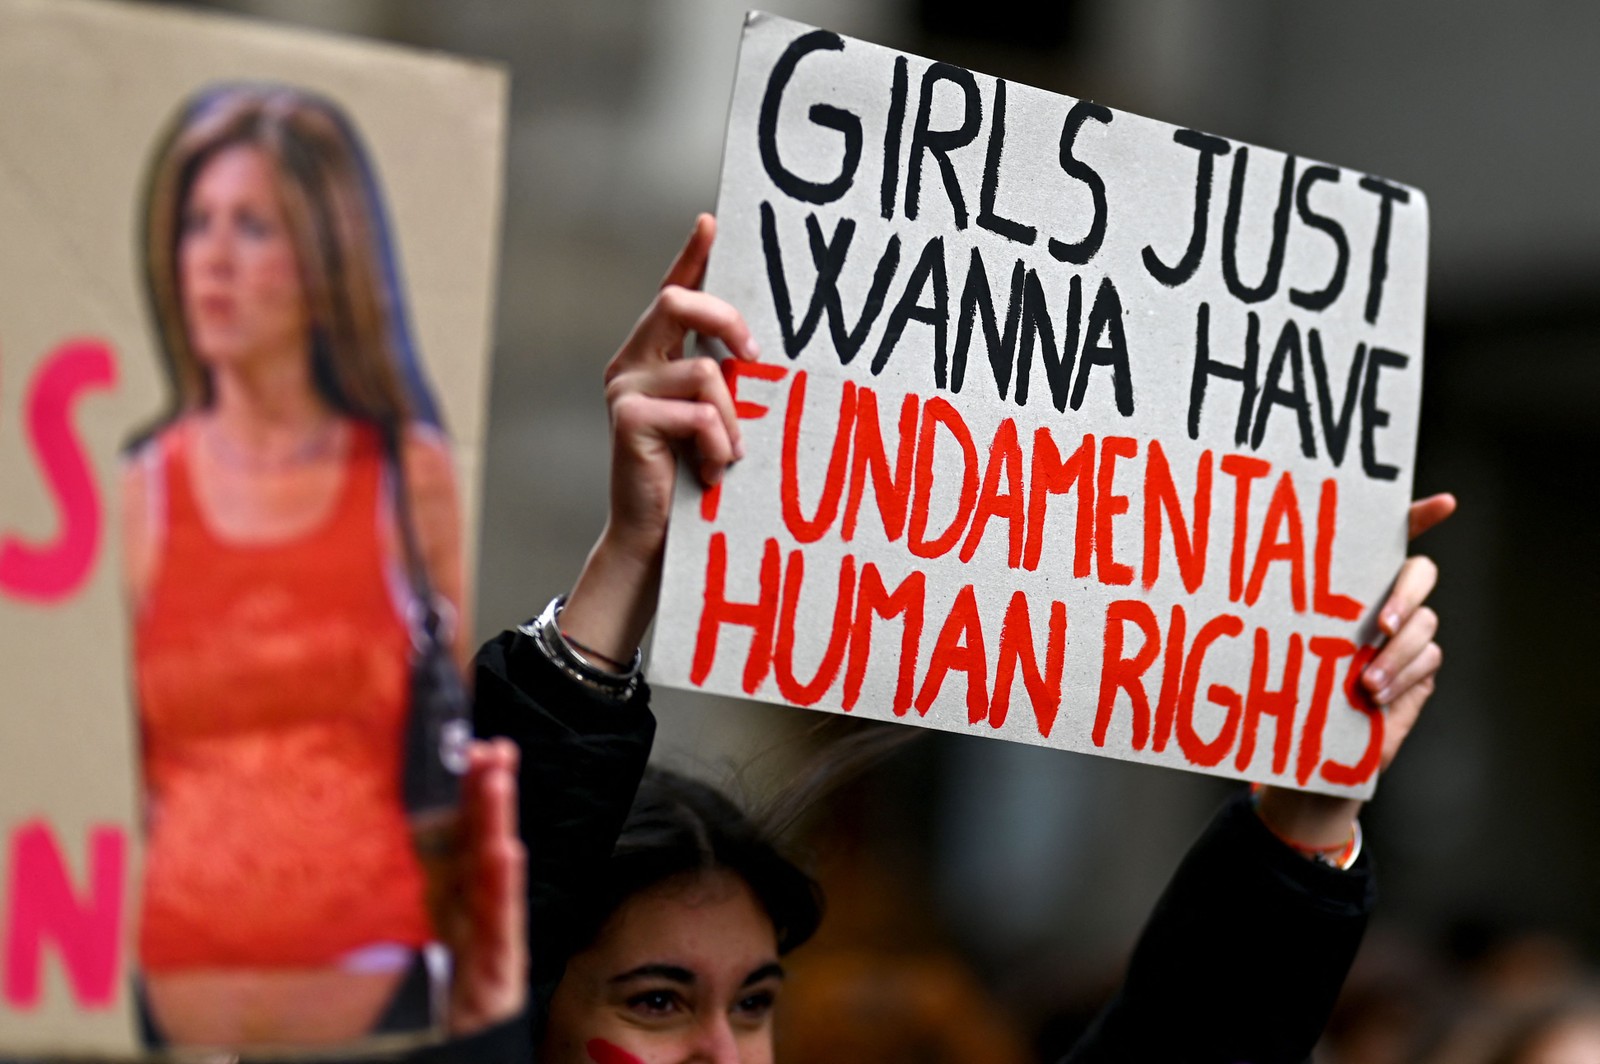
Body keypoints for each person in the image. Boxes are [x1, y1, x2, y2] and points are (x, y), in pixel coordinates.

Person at [468, 214, 1455, 1062]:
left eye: (756, 1001)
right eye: (655, 999)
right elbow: (471, 921)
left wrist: (1309, 799)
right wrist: (635, 551)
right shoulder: (463, 989)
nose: (724, 1052)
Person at [123, 83, 467, 1045]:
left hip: (383, 1008)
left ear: (324, 258)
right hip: (158, 1013)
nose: (214, 261)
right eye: (197, 224)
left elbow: (457, 745)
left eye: (254, 228)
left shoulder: (411, 478)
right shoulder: (138, 492)